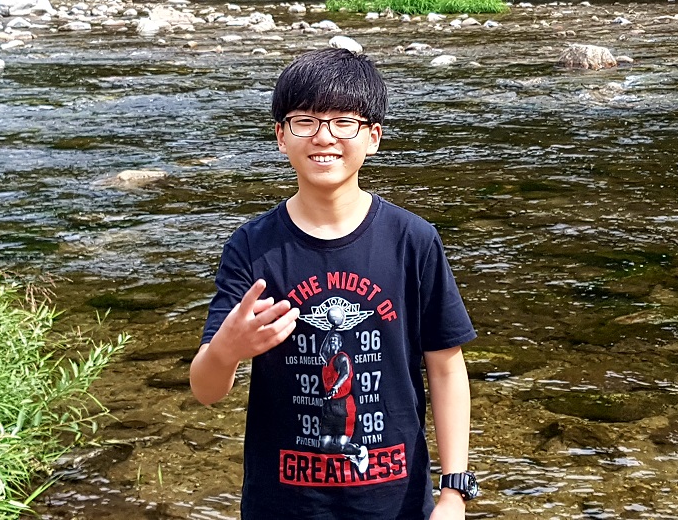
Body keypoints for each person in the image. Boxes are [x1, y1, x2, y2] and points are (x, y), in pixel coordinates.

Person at [189, 47, 478, 520]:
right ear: (281, 136)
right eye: (305, 121)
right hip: (281, 506)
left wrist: (454, 492)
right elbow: (205, 390)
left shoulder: (412, 240)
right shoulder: (252, 247)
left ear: (373, 137)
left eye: (344, 122)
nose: (324, 136)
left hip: (396, 504)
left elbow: (446, 369)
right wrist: (227, 350)